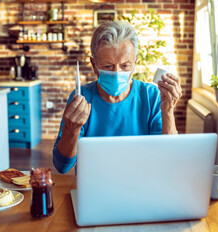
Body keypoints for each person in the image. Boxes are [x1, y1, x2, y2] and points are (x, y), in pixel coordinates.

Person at [53, 21, 182, 174]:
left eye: (125, 66)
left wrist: (168, 111)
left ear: (135, 63)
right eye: (108, 66)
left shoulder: (151, 96)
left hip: (142, 182)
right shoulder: (81, 98)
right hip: (93, 186)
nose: (117, 72)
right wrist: (71, 129)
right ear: (94, 65)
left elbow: (168, 159)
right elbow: (62, 167)